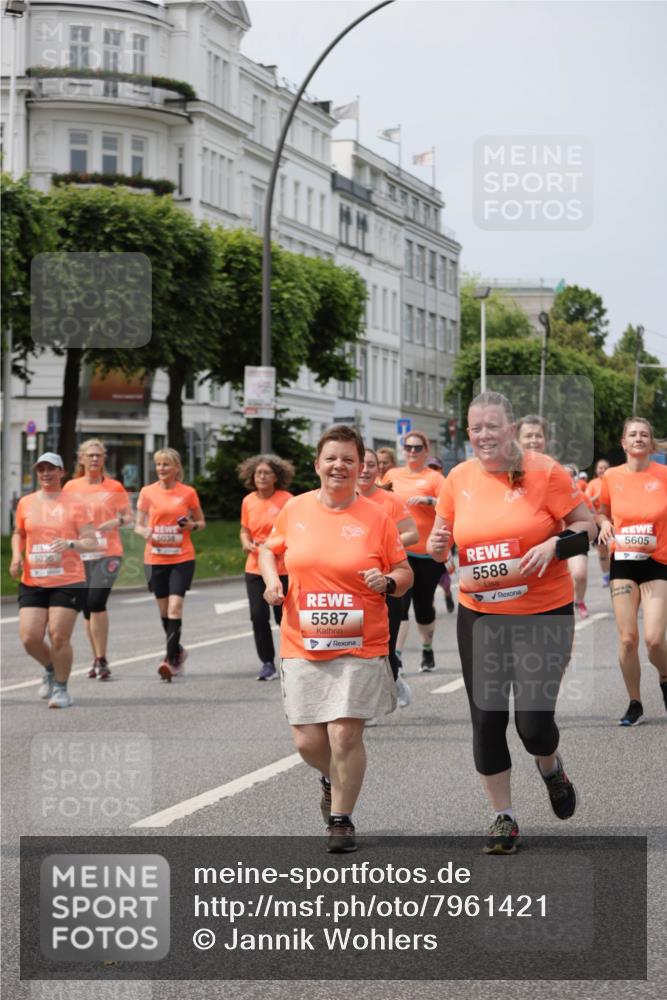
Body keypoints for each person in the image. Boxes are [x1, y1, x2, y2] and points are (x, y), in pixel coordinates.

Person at [428, 392, 596, 854]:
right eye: (475, 428)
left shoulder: (546, 471)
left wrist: (555, 547)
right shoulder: (457, 478)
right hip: (481, 615)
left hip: (542, 613)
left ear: (511, 428)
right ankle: (503, 817)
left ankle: (550, 766)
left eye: (492, 426)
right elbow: (440, 547)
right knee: (486, 719)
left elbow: (590, 526)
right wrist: (438, 544)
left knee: (533, 725)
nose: (483, 435)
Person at [259, 425, 413, 853]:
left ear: (361, 466)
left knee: (345, 735)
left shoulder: (378, 517)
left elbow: (405, 574)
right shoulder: (296, 509)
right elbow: (269, 550)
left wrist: (386, 581)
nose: (339, 466)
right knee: (308, 740)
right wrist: (272, 582)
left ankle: (342, 820)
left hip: (360, 642)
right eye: (331, 458)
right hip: (303, 641)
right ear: (317, 465)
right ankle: (331, 778)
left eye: (349, 459)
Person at [10, 453, 96, 709]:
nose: (45, 474)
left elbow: (91, 541)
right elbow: (19, 532)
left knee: (58, 635)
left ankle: (61, 688)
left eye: (51, 469)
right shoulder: (26, 502)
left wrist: (70, 544)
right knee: (29, 637)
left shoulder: (76, 504)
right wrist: (16, 555)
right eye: (41, 470)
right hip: (33, 579)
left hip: (67, 579)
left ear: (62, 472)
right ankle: (50, 667)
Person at [597, 417, 667, 726]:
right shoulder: (611, 477)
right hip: (623, 561)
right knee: (627, 639)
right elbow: (600, 512)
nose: (638, 438)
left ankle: (665, 677)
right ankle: (635, 702)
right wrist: (604, 523)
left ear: (651, 443)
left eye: (644, 435)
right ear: (623, 443)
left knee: (653, 640)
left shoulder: (664, 475)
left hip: (658, 562)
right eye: (632, 434)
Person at [63, 438, 133, 681]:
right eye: (89, 455)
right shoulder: (71, 488)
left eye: (98, 455)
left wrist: (117, 521)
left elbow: (128, 516)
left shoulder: (114, 487)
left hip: (108, 551)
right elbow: (64, 518)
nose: (94, 459)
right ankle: (96, 659)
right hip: (81, 553)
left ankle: (102, 658)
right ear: (82, 459)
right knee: (86, 609)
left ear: (104, 459)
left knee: (96, 601)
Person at [135, 448, 205, 682]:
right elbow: (138, 524)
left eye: (166, 464)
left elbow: (201, 522)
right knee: (164, 611)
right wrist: (144, 530)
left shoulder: (188, 493)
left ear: (176, 468)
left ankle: (170, 660)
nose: (162, 469)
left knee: (175, 608)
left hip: (181, 557)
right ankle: (178, 650)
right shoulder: (147, 492)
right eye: (158, 464)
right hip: (155, 558)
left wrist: (191, 526)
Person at [357, 448, 418, 708]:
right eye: (361, 464)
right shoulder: (340, 501)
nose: (365, 470)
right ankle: (363, 703)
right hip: (352, 587)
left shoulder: (389, 501)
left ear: (378, 470)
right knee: (355, 646)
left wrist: (383, 545)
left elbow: (412, 534)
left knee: (385, 645)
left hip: (386, 580)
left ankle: (394, 680)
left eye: (371, 465)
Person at [381, 431, 445, 672]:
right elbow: (379, 499)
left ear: (426, 451)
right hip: (400, 550)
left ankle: (427, 648)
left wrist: (428, 501)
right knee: (399, 602)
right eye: (408, 447)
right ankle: (395, 654)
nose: (412, 452)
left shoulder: (434, 477)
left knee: (423, 605)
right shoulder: (392, 474)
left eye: (418, 448)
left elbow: (450, 503)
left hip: (427, 552)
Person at [517, 417, 590, 619]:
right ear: (517, 440)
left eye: (538, 435)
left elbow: (587, 525)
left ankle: (579, 601)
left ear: (546, 440)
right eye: (528, 436)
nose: (533, 440)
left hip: (562, 543)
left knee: (580, 573)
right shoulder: (508, 472)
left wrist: (557, 546)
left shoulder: (556, 472)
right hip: (517, 568)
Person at [239, 454, 294, 681]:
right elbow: (244, 529)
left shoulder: (287, 500)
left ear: (276, 477)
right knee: (257, 616)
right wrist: (246, 542)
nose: (261, 476)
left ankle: (291, 659)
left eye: (266, 473)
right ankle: (267, 663)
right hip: (255, 567)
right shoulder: (248, 501)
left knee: (285, 618)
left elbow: (295, 530)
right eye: (258, 473)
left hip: (282, 568)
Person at [586, 458, 611, 586]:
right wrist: (600, 495)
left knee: (617, 548)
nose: (603, 470)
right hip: (599, 520)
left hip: (615, 519)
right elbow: (586, 500)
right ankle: (606, 575)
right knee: (602, 549)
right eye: (600, 468)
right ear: (596, 470)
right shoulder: (593, 484)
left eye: (605, 468)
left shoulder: (614, 481)